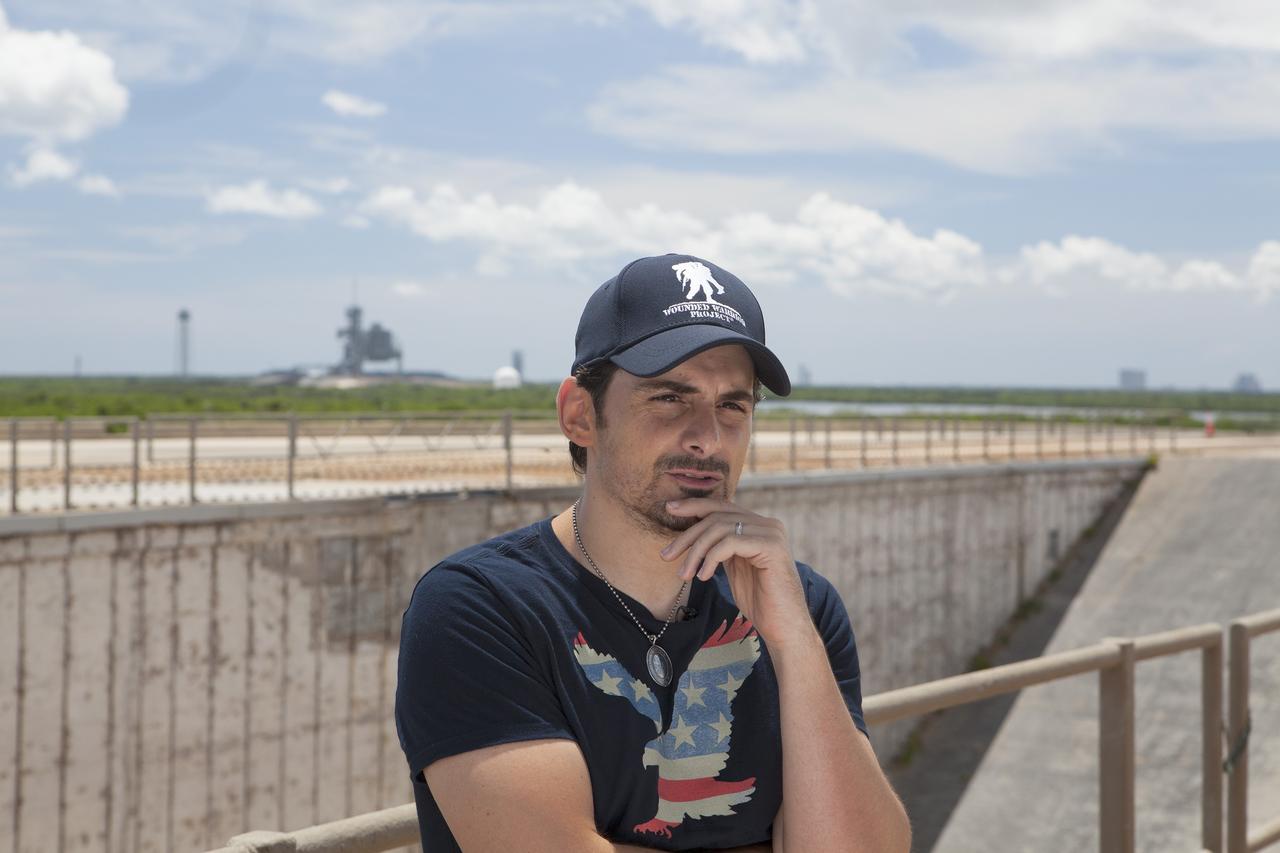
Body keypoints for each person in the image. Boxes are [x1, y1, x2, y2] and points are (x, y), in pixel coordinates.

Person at [396, 254, 911, 852]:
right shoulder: (481, 607)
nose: (707, 438)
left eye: (733, 406)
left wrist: (793, 640)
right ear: (580, 415)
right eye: (669, 398)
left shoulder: (801, 604)